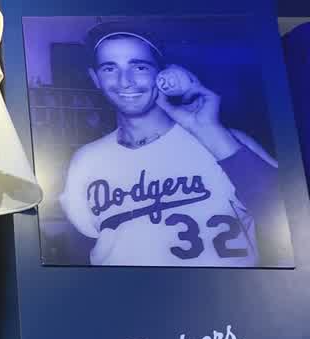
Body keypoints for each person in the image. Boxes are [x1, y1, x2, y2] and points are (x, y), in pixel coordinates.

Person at [60, 23, 283, 266]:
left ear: (163, 73)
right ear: (95, 78)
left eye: (140, 67)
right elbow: (86, 246)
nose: (125, 81)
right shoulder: (85, 160)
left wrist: (208, 131)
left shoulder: (223, 139)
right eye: (110, 68)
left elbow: (287, 217)